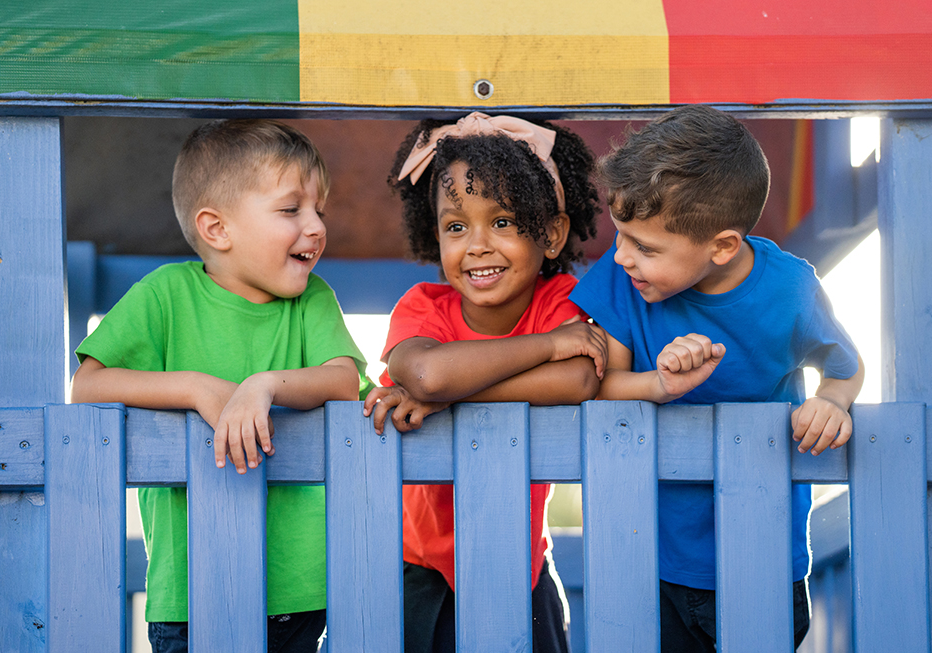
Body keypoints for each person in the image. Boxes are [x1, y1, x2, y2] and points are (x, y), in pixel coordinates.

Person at [569, 105, 864, 652]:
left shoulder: (790, 291)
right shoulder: (620, 281)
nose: (621, 256)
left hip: (765, 551)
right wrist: (657, 383)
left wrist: (831, 401)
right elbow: (597, 384)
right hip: (648, 550)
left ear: (722, 246)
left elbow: (845, 368)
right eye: (620, 236)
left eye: (646, 247)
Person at [71, 119, 371, 653]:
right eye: (290, 209)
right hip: (188, 592)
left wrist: (262, 385)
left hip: (300, 591)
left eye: (318, 211)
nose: (317, 226)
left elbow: (344, 380)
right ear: (217, 229)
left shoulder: (311, 301)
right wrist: (194, 388)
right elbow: (88, 386)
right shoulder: (165, 295)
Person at [362, 112, 605, 653]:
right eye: (455, 226)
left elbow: (580, 378)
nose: (476, 245)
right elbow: (426, 372)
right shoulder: (423, 308)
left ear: (552, 232)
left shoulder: (557, 300)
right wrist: (543, 348)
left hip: (524, 565)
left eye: (502, 221)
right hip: (417, 567)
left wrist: (444, 398)